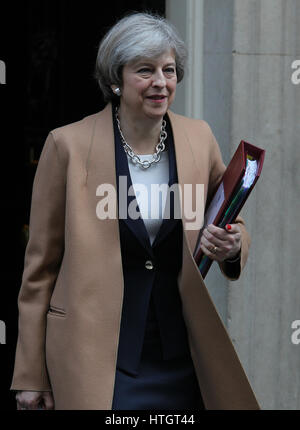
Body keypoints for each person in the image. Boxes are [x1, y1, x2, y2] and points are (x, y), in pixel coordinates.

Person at [11, 12, 260, 410]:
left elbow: (233, 220)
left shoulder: (199, 138)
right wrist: (30, 375)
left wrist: (232, 244)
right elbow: (39, 270)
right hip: (95, 357)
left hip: (183, 355)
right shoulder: (66, 146)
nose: (160, 82)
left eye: (169, 70)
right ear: (116, 79)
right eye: (145, 70)